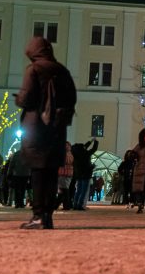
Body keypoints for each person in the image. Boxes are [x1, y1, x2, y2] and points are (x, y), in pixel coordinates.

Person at [16, 36, 77, 230]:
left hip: (36, 127)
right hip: (57, 128)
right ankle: (47, 216)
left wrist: (18, 100)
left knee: (38, 173)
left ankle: (38, 215)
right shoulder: (62, 71)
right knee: (51, 173)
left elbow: (27, 98)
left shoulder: (33, 70)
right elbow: (72, 98)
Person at [70, 138, 98, 210]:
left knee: (78, 190)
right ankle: (80, 205)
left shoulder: (75, 154)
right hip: (86, 174)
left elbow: (85, 146)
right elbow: (94, 149)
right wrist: (95, 141)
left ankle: (75, 205)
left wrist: (90, 141)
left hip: (78, 174)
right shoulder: (86, 154)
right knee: (83, 191)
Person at [57, 141, 74, 210]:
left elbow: (65, 161)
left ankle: (66, 206)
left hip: (64, 172)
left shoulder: (66, 154)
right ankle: (57, 204)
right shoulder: (70, 153)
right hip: (66, 172)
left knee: (64, 190)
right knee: (62, 190)